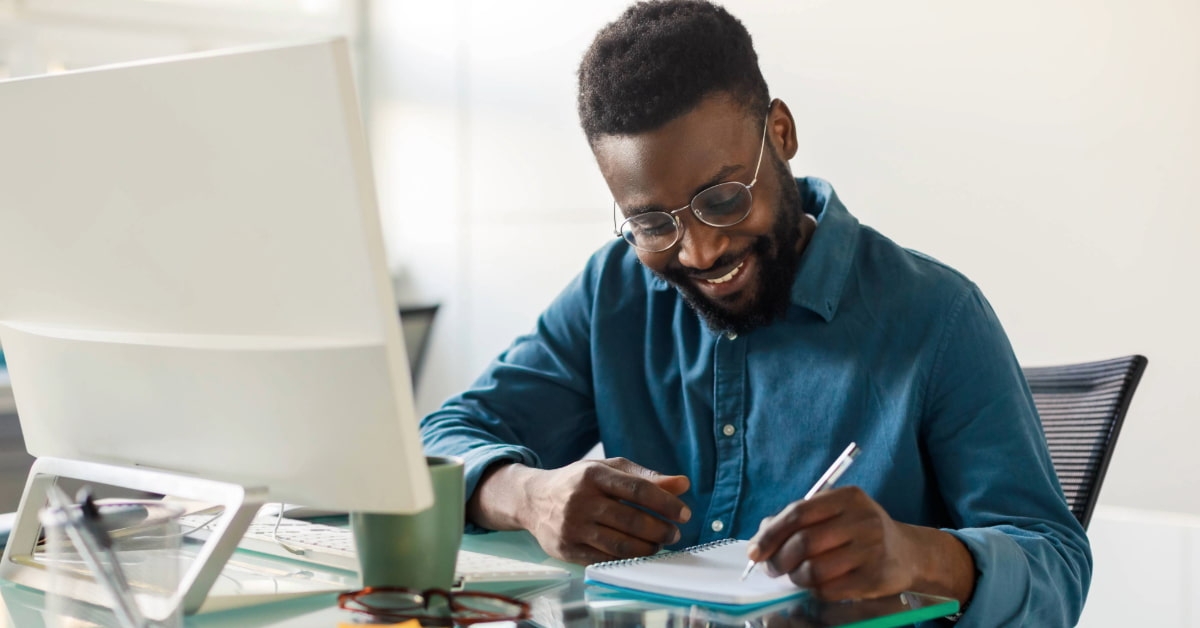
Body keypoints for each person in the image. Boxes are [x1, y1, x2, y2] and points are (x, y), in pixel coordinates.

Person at [420, 1, 1090, 625]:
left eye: (723, 199)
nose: (701, 250)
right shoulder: (613, 292)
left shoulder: (937, 316)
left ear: (781, 132)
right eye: (653, 222)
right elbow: (436, 439)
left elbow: (1055, 567)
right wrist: (527, 496)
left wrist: (914, 555)